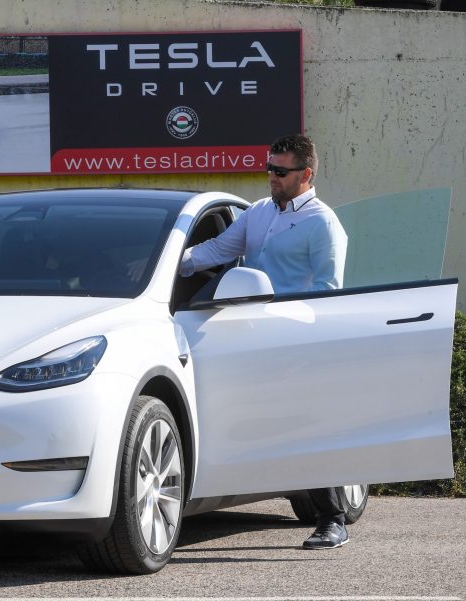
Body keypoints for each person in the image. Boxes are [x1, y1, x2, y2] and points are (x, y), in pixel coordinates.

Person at [180, 134, 351, 550]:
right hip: (244, 334)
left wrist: (312, 346)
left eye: (280, 170)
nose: (271, 176)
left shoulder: (323, 222)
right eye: (269, 168)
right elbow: (217, 250)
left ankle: (333, 518)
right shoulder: (256, 213)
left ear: (306, 174)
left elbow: (327, 291)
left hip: (294, 339)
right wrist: (164, 263)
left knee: (304, 426)